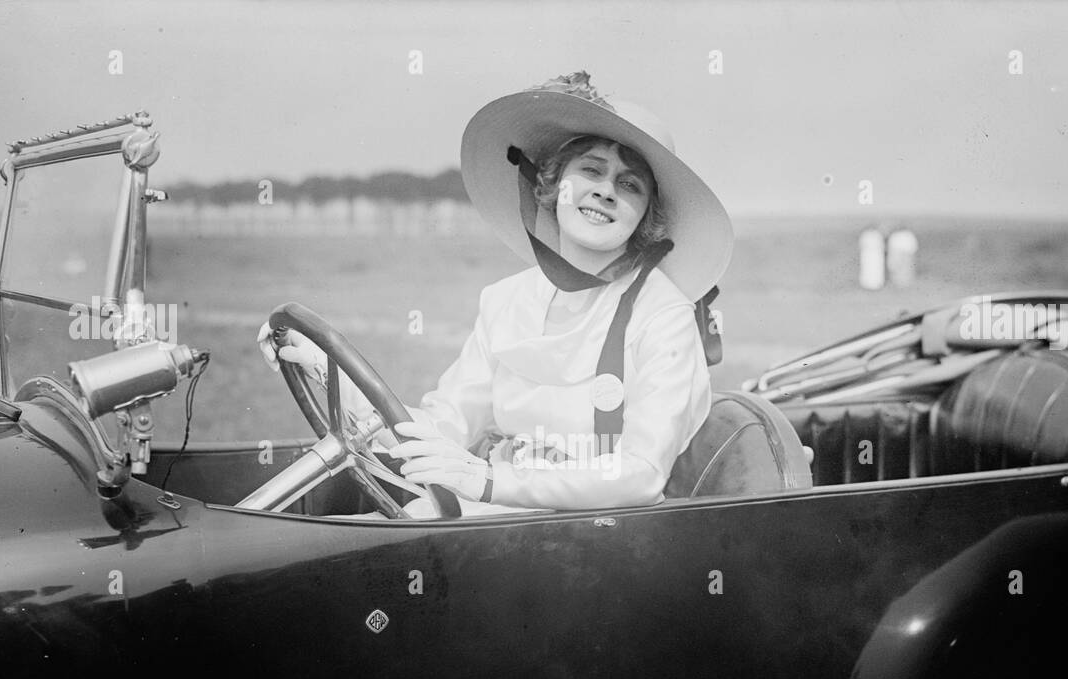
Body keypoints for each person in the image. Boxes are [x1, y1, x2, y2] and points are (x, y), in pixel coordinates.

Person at [258, 70, 734, 515]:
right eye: (591, 170)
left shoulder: (663, 313)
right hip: (498, 518)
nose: (606, 191)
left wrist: (488, 481)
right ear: (551, 184)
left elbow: (641, 475)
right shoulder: (506, 300)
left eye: (629, 184)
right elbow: (440, 430)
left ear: (646, 217)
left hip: (605, 541)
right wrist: (326, 369)